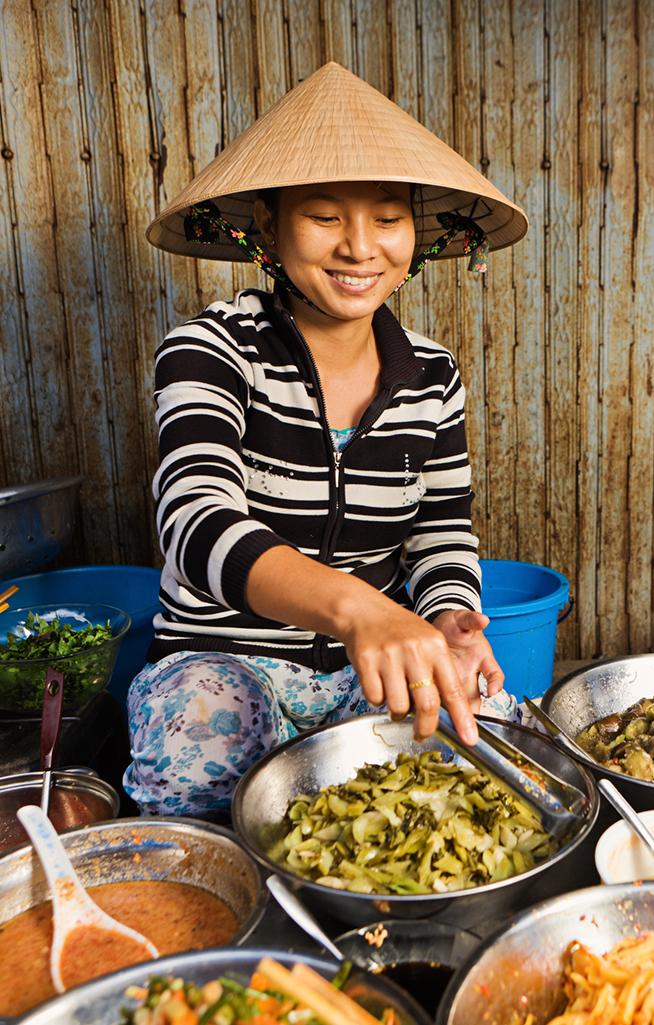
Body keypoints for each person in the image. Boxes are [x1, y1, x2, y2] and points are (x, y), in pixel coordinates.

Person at [125, 61, 528, 817]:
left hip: (361, 672)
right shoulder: (210, 348)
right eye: (322, 215)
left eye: (386, 216)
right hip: (221, 664)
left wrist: (447, 621)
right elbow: (195, 521)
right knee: (210, 742)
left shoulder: (434, 375)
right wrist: (359, 610)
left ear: (416, 232)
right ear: (269, 228)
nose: (359, 247)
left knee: (490, 736)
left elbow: (441, 532)